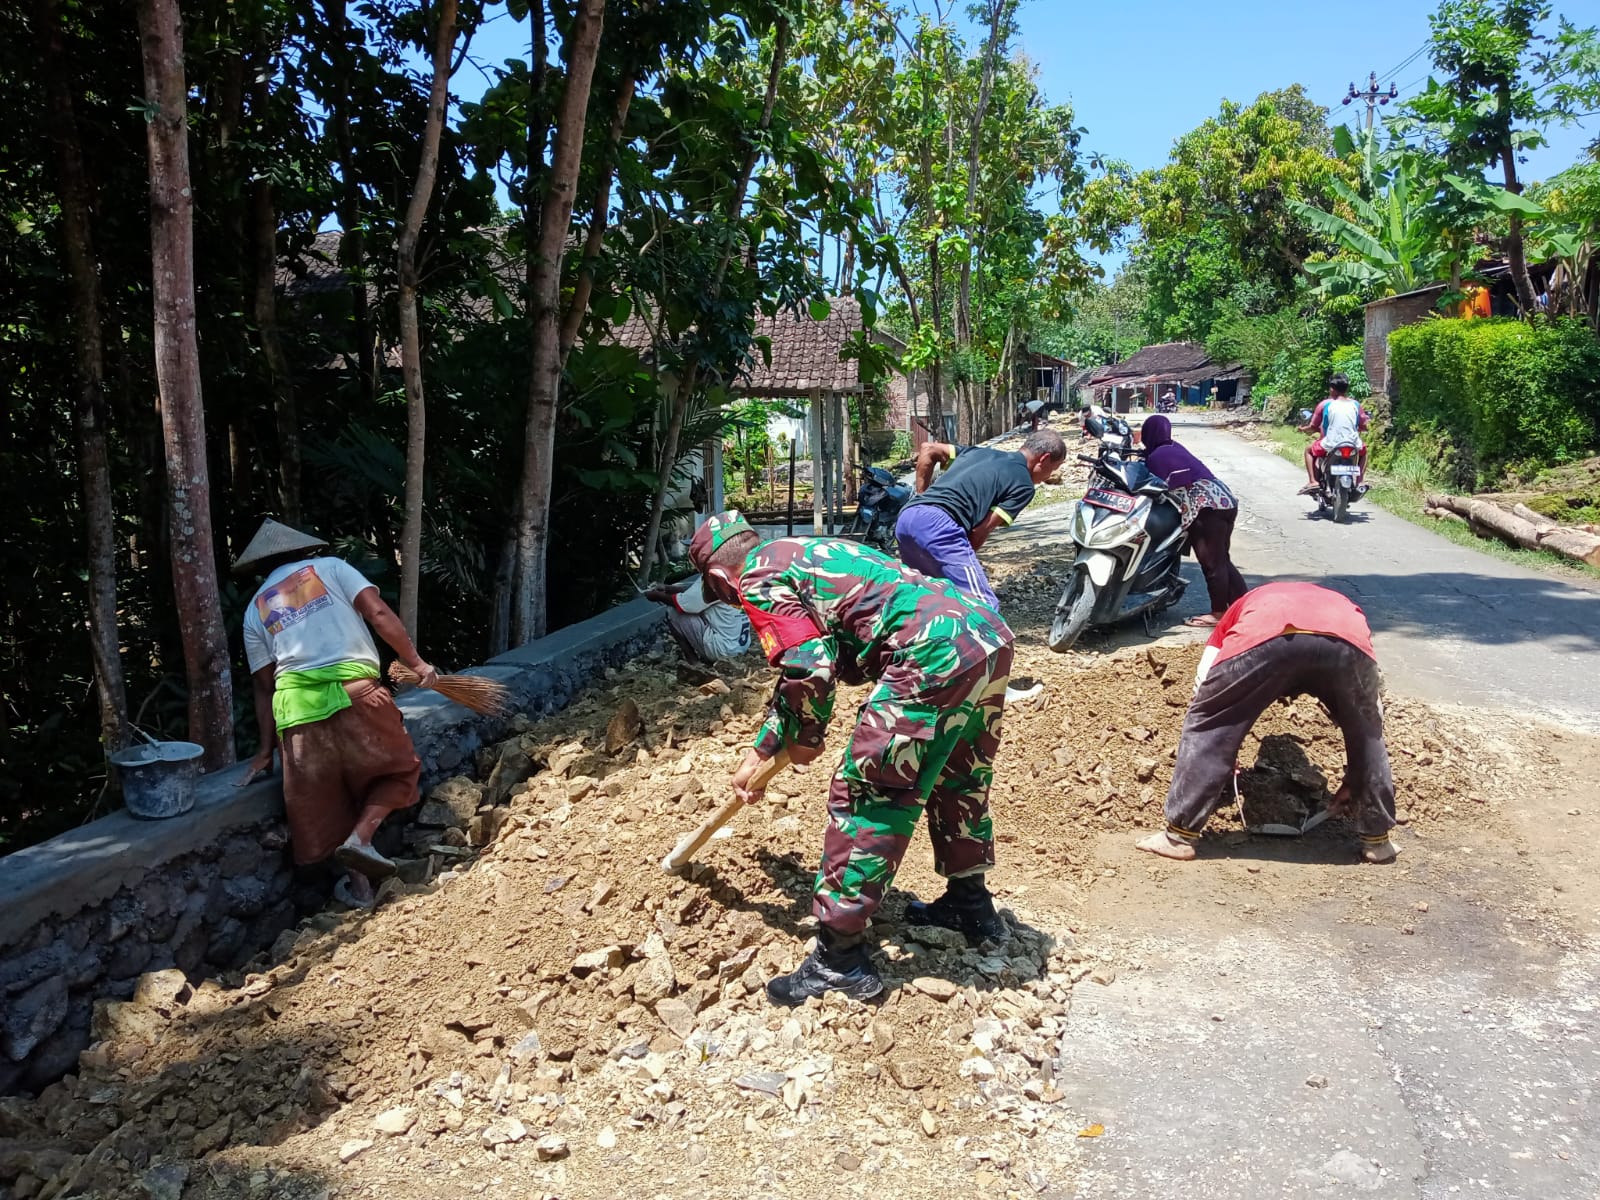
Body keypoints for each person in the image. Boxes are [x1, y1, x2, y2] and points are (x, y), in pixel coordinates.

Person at [690, 512, 1015, 1006]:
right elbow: (817, 660)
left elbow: (808, 666)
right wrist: (763, 748)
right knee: (959, 779)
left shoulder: (755, 579)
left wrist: (807, 737)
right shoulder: (802, 553)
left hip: (928, 654)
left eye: (724, 597)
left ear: (718, 577)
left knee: (869, 791)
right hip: (982, 637)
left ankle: (839, 960)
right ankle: (969, 905)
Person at [235, 519, 436, 909]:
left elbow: (264, 686)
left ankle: (360, 891)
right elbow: (378, 614)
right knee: (398, 769)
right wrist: (416, 662)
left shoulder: (254, 609)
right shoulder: (332, 568)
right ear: (303, 550)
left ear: (261, 567)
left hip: (297, 715)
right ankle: (361, 837)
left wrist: (264, 753)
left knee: (327, 801)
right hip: (357, 695)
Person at [1136, 582, 1398, 865]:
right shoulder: (1342, 603)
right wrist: (1356, 778)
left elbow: (1205, 684)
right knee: (1365, 730)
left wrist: (1218, 748)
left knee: (1208, 723)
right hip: (1346, 643)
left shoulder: (1242, 607)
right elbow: (1372, 713)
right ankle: (1377, 840)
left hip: (1268, 637)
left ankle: (1179, 836)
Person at [1138, 415, 1248, 627]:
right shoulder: (1171, 446)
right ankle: (1242, 607)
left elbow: (1158, 486)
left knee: (1211, 563)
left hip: (1207, 507)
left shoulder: (1157, 456)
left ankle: (1218, 614)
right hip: (1223, 500)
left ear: (1147, 434)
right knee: (1222, 560)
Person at [643, 573, 752, 663]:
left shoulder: (712, 577)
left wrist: (657, 596)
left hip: (723, 650)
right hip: (741, 645)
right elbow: (693, 593)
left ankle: (693, 660)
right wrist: (667, 588)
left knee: (673, 611)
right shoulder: (732, 574)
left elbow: (683, 603)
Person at [1298, 375, 1370, 494]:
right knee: (1364, 451)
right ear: (1346, 389)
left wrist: (1303, 429)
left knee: (1308, 451)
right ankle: (1359, 481)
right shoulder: (1356, 405)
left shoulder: (1325, 405)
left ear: (1332, 389)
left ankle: (1313, 481)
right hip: (1353, 444)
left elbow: (1314, 427)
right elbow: (1364, 425)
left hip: (1331, 444)